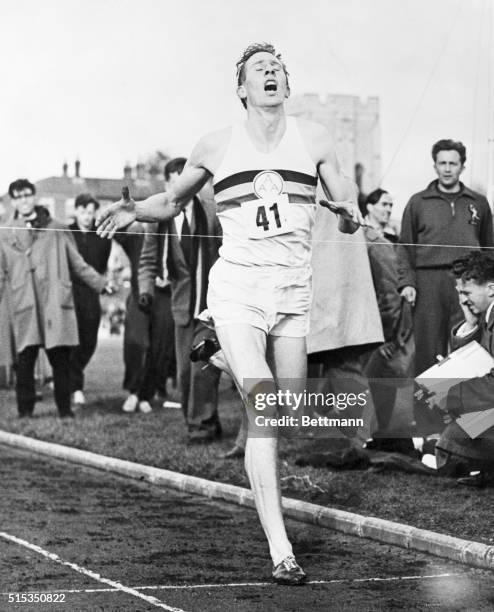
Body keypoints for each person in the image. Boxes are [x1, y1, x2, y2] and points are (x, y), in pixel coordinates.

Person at [97, 42, 363, 585]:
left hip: (292, 290)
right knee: (264, 405)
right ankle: (281, 549)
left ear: (286, 85)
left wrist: (349, 211)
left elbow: (345, 194)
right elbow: (170, 202)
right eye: (258, 70)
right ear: (241, 88)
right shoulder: (217, 144)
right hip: (239, 287)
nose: (270, 74)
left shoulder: (312, 138)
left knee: (286, 406)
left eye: (277, 68)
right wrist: (134, 209)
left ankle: (215, 354)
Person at [0, 179, 106, 418]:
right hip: (23, 301)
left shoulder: (56, 228)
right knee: (25, 358)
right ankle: (24, 411)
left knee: (60, 358)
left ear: (34, 196)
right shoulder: (6, 232)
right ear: (13, 201)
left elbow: (77, 263)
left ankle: (64, 409)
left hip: (52, 302)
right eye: (18, 197)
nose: (24, 200)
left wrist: (100, 284)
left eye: (27, 195)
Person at [138, 157, 221, 442]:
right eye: (172, 179)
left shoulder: (211, 213)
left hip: (211, 303)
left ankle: (203, 426)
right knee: (185, 371)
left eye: (183, 177)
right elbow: (148, 260)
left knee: (203, 368)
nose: (178, 184)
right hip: (182, 304)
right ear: (166, 185)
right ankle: (198, 420)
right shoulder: (158, 219)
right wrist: (145, 291)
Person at [399, 139, 493, 374]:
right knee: (428, 347)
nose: (447, 168)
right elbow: (405, 247)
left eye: (453, 163)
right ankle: (424, 405)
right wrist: (407, 283)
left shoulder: (478, 202)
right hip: (428, 282)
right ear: (435, 166)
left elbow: (489, 246)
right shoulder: (418, 202)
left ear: (462, 166)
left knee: (468, 340)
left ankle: (464, 406)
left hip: (468, 282)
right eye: (442, 163)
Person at [434, 251, 494, 487]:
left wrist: (452, 394)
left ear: (490, 289)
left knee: (451, 444)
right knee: (450, 440)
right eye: (459, 293)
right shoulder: (487, 317)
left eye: (466, 293)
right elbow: (475, 358)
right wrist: (469, 321)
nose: (462, 300)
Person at [361, 189, 415, 448]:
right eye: (384, 204)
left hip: (384, 323)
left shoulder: (387, 240)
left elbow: (393, 292)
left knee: (385, 376)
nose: (388, 209)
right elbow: (387, 293)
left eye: (392, 205)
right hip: (369, 323)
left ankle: (377, 433)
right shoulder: (368, 239)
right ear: (369, 207)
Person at [68, 193, 113, 408]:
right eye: (83, 211)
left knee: (89, 341)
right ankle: (76, 387)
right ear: (76, 211)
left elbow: (101, 265)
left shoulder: (101, 236)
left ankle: (70, 376)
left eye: (90, 212)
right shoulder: (67, 233)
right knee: (72, 341)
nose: (87, 216)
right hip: (70, 292)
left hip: (91, 293)